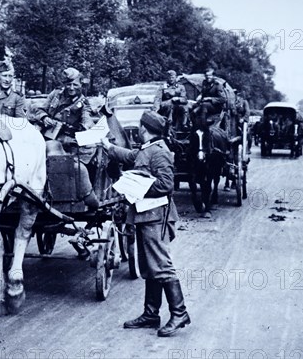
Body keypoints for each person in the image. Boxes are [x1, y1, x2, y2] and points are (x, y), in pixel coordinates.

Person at [101, 111, 190, 338]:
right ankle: (151, 314)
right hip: (145, 215)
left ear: (143, 128)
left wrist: (136, 185)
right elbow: (131, 156)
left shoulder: (159, 152)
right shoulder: (147, 148)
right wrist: (108, 147)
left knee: (161, 265)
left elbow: (166, 185)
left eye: (140, 127)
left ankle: (180, 313)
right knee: (150, 266)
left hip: (155, 216)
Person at [31, 67, 98, 210]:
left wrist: (87, 126)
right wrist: (45, 118)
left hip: (69, 143)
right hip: (47, 137)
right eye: (69, 84)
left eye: (75, 85)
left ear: (81, 85)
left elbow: (87, 119)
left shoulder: (83, 103)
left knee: (70, 166)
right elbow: (39, 109)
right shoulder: (55, 95)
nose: (71, 88)